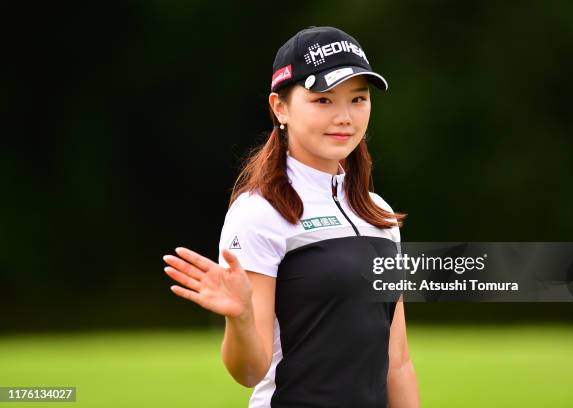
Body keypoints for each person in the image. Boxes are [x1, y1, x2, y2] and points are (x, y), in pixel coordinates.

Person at [163, 26, 420, 408]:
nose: (345, 117)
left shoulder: (378, 213)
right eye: (323, 100)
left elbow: (396, 362)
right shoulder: (260, 212)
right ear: (280, 107)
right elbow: (249, 371)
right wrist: (242, 318)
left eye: (358, 99)